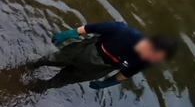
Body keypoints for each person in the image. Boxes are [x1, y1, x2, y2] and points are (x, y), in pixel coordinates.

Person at [33, 21, 177, 91]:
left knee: (59, 82)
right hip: (85, 51)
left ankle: (35, 88)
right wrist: (69, 34)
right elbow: (93, 28)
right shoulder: (124, 32)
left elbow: (126, 73)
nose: (154, 59)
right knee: (50, 59)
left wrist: (107, 83)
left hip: (97, 69)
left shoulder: (145, 61)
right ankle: (32, 65)